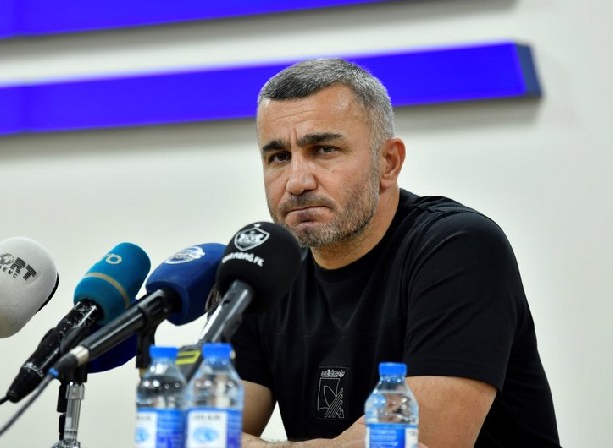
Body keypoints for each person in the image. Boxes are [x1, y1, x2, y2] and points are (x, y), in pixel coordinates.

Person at [230, 58, 561, 447]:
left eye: (323, 149)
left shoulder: (459, 247)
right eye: (278, 157)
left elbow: (420, 443)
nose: (297, 181)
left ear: (389, 162)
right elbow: (203, 430)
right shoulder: (263, 271)